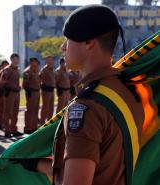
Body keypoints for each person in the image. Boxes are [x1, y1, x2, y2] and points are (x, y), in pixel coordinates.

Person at [14, 5, 144, 185]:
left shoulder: (86, 108)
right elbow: (105, 166)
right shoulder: (127, 91)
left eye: (68, 39)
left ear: (89, 42)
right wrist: (34, 163)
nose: (63, 46)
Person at [0, 54, 22, 137]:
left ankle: (14, 129)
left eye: (18, 59)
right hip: (10, 93)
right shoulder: (7, 69)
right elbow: (2, 81)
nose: (17, 61)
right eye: (15, 59)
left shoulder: (17, 69)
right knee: (8, 112)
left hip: (16, 93)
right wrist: (8, 87)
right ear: (11, 59)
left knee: (15, 112)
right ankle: (7, 130)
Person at [22, 57, 41, 134]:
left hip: (37, 92)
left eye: (36, 62)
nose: (36, 64)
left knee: (36, 110)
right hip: (31, 93)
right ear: (31, 62)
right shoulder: (27, 72)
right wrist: (28, 91)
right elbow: (24, 84)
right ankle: (28, 127)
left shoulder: (36, 70)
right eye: (35, 62)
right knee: (30, 110)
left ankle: (34, 127)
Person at [39, 55, 55, 125]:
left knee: (51, 109)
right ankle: (42, 124)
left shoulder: (53, 69)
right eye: (49, 60)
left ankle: (49, 124)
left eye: (51, 60)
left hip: (52, 91)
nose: (50, 61)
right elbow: (40, 80)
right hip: (46, 91)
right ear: (46, 61)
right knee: (45, 108)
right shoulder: (44, 70)